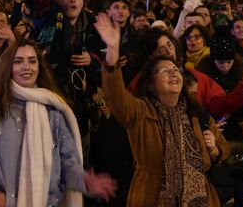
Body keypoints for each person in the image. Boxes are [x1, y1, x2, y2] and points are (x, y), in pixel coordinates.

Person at [0, 38, 117, 206]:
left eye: (32, 61)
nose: (26, 67)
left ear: (39, 67)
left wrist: (86, 182)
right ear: (8, 67)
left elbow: (68, 164)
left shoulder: (53, 109)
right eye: (18, 61)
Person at [94, 13, 230, 206]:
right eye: (164, 71)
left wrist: (215, 150)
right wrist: (112, 51)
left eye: (175, 70)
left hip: (200, 198)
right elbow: (116, 97)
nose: (173, 73)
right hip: (153, 195)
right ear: (150, 83)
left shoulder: (195, 112)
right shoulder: (141, 111)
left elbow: (223, 148)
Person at [196, 34, 243, 203]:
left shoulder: (240, 75)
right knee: (217, 183)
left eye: (229, 62)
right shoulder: (203, 77)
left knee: (238, 178)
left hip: (234, 133)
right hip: (211, 134)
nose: (225, 66)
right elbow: (200, 106)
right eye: (221, 62)